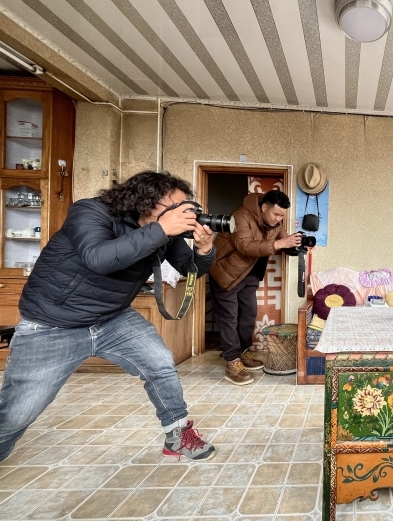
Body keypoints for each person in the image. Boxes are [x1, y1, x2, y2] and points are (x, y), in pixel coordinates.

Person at [0, 171, 218, 462]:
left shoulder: (164, 232)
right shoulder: (90, 212)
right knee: (20, 411)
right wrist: (162, 229)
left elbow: (190, 269)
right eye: (174, 206)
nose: (182, 213)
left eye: (185, 206)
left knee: (160, 363)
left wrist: (204, 250)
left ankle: (178, 436)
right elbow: (98, 259)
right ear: (145, 200)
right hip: (52, 324)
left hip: (113, 318)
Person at [209, 190, 302, 385]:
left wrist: (297, 245)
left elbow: (284, 242)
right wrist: (280, 243)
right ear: (264, 207)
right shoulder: (240, 216)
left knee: (248, 315)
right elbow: (245, 246)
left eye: (282, 216)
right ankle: (232, 362)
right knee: (228, 317)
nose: (278, 219)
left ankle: (242, 353)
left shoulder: (275, 223)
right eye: (276, 214)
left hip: (249, 274)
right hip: (226, 273)